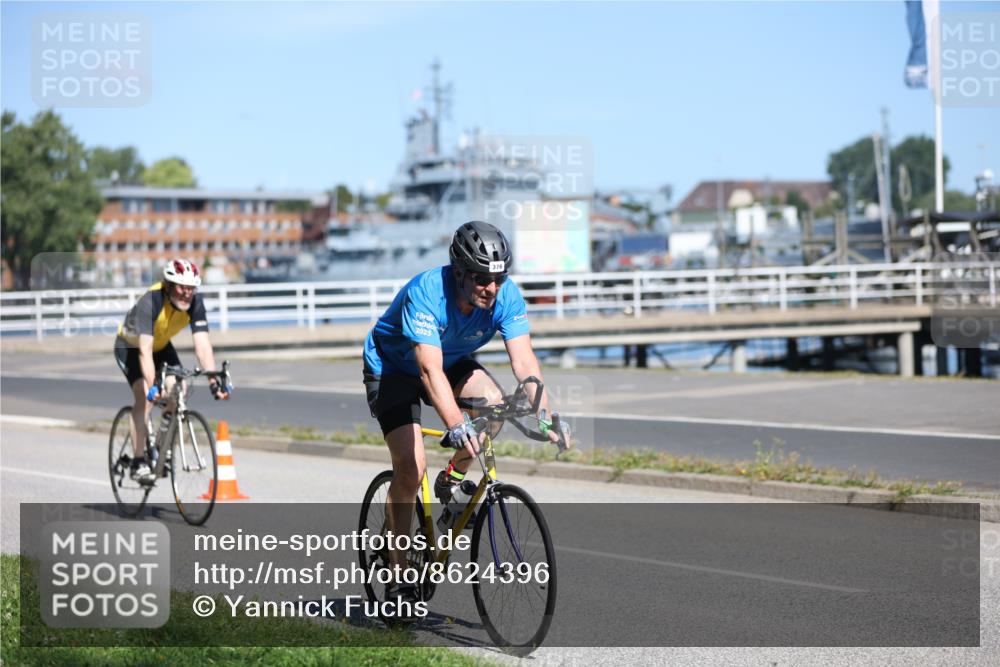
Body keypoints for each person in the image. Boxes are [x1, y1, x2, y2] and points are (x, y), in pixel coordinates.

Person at [362, 221, 570, 608]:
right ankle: (397, 576)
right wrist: (456, 424)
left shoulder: (505, 296)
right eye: (480, 279)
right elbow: (427, 370)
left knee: (494, 404)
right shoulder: (426, 292)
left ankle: (452, 479)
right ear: (458, 272)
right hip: (393, 368)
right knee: (411, 466)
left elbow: (524, 361)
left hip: (451, 361)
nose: (491, 288)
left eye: (498, 278)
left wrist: (548, 418)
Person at [114, 259, 229, 482]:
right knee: (144, 398)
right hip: (130, 347)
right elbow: (144, 353)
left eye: (191, 288)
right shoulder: (151, 301)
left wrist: (214, 381)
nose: (187, 293)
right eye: (182, 287)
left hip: (161, 345)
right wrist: (153, 385)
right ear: (168, 285)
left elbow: (202, 345)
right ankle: (138, 461)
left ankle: (162, 447)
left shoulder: (195, 302)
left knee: (178, 390)